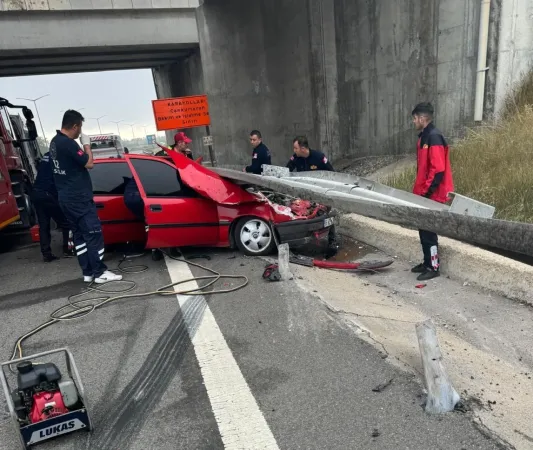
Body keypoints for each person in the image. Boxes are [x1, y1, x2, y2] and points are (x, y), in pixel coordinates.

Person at [50, 109, 122, 284]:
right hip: (79, 198)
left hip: (65, 198)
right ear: (75, 126)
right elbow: (89, 163)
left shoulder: (54, 142)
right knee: (93, 233)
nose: (80, 132)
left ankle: (88, 272)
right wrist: (87, 145)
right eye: (80, 127)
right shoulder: (68, 143)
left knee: (80, 236)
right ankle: (99, 272)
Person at [410, 102, 454, 281]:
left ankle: (433, 266)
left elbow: (438, 170)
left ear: (421, 118)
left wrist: (426, 195)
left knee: (429, 232)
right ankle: (427, 261)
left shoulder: (433, 137)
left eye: (414, 119)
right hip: (425, 193)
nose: (413, 122)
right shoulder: (425, 137)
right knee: (424, 229)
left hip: (432, 194)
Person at [30, 152, 75, 262]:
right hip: (48, 195)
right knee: (66, 223)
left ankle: (46, 254)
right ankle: (67, 249)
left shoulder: (47, 155)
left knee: (44, 225)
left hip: (36, 193)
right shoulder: (61, 157)